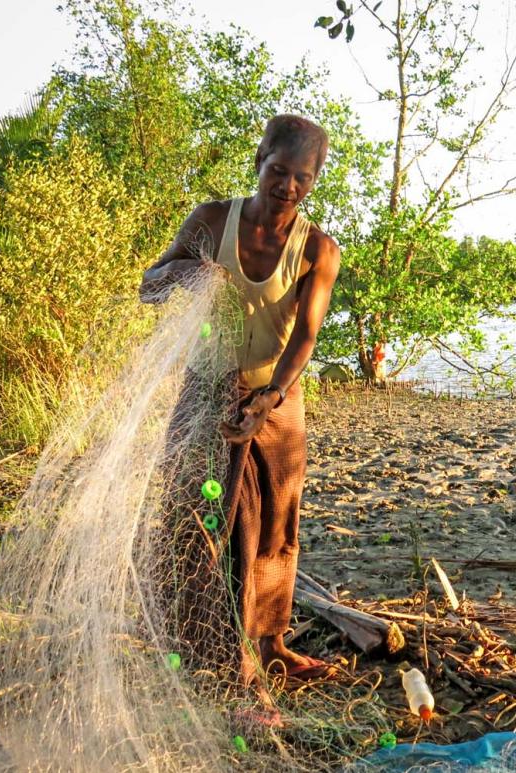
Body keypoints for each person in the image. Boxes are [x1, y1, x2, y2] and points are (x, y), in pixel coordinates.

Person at [139, 115, 340, 688]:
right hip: (206, 388)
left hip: (277, 393)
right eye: (279, 172)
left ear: (315, 179)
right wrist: (194, 272)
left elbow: (305, 336)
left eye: (303, 178)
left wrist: (270, 399)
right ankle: (207, 643)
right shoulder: (211, 220)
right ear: (260, 161)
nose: (288, 187)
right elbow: (149, 286)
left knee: (277, 520)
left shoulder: (318, 251)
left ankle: (270, 642)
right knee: (195, 518)